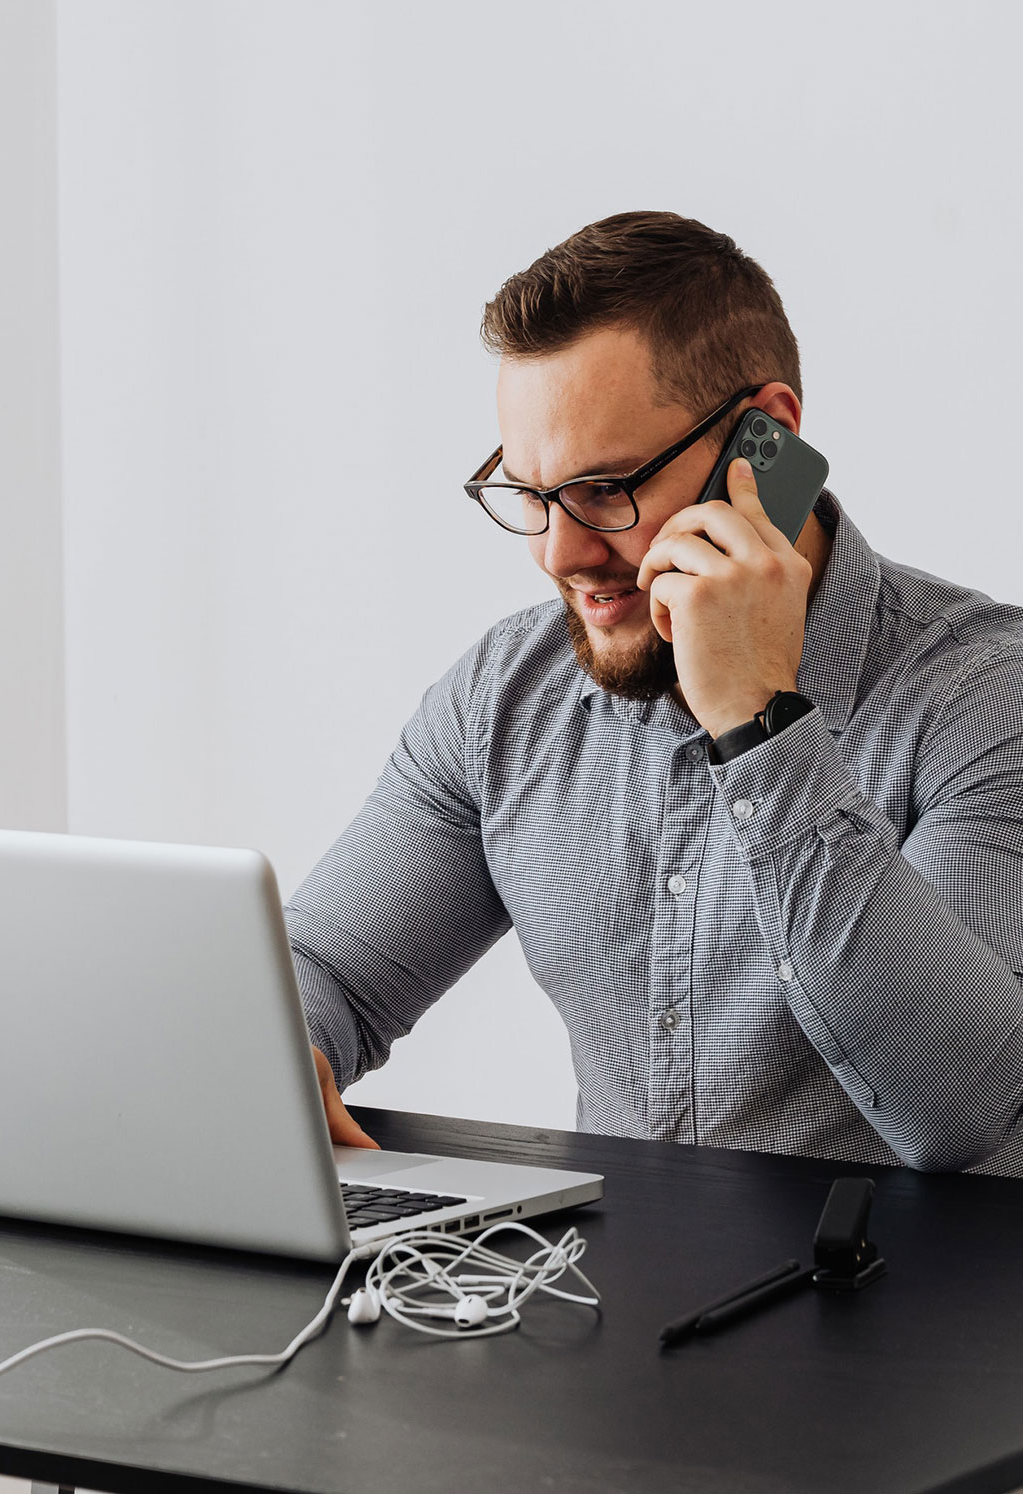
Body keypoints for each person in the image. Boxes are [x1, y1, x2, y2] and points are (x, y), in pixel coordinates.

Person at [287, 210, 1023, 1175]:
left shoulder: (986, 699)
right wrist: (282, 1054)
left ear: (766, 441)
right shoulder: (502, 698)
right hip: (614, 1306)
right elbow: (330, 971)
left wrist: (761, 724)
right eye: (530, 495)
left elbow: (963, 1111)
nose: (562, 555)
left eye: (605, 491)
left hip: (908, 1316)